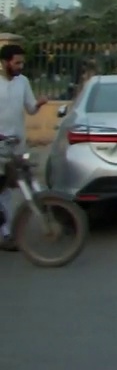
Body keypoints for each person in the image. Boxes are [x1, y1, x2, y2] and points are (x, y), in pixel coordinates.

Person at [0, 44, 48, 250]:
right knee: (4, 191)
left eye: (22, 62)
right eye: (16, 62)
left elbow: (30, 108)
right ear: (5, 62)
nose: (20, 66)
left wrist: (38, 104)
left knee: (14, 185)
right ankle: (7, 233)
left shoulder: (23, 82)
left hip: (16, 143)